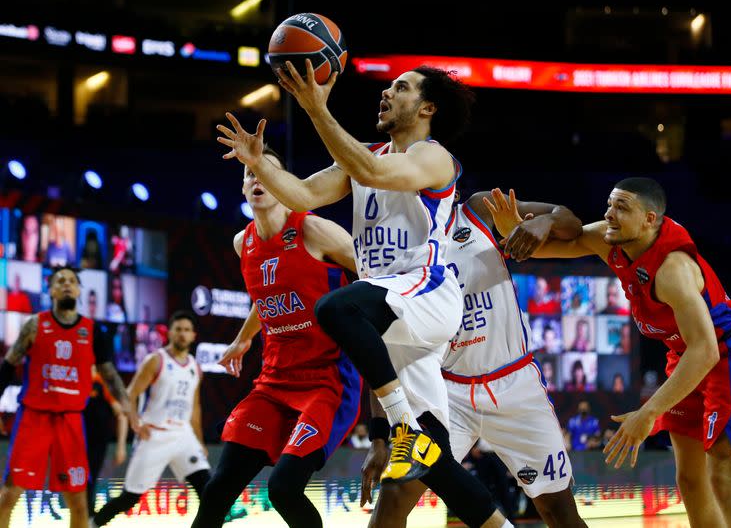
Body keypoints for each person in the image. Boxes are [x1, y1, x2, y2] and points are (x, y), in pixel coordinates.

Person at [215, 63, 511, 527]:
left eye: (402, 87)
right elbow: (302, 194)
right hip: (391, 314)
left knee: (335, 306)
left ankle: (404, 430)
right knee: (435, 464)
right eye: (390, 85)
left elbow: (371, 169)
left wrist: (316, 108)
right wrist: (257, 165)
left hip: (425, 292)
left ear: (427, 107)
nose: (387, 92)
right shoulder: (359, 158)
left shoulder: (434, 156)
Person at [501, 177, 731, 527]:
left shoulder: (673, 270)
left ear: (649, 219)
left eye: (622, 207)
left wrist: (648, 411)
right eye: (610, 204)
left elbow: (705, 351)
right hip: (684, 354)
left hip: (727, 355)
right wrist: (517, 230)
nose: (609, 214)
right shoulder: (607, 237)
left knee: (724, 478)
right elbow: (546, 248)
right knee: (690, 480)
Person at [360, 188, 587, 527]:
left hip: (514, 384)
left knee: (560, 512)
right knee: (393, 500)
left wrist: (545, 221)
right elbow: (380, 351)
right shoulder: (396, 251)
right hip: (447, 394)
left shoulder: (478, 210)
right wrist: (379, 438)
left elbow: (572, 222)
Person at [191, 149, 361, 528]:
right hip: (274, 382)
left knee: (284, 488)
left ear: (285, 185)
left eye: (268, 172)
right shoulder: (243, 244)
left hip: (327, 381)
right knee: (218, 488)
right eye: (251, 174)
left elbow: (378, 273)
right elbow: (267, 297)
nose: (258, 179)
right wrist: (242, 338)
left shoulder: (314, 230)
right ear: (243, 187)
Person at [0, 266, 130, 528]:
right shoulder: (35, 325)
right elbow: (7, 367)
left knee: (79, 501)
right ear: (51, 290)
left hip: (71, 420)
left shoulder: (93, 331)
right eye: (60, 281)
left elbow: (111, 376)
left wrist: (131, 412)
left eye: (72, 281)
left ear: (79, 290)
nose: (67, 284)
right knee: (10, 494)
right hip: (33, 417)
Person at [91, 311, 209, 527]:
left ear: (193, 335)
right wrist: (136, 422)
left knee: (208, 490)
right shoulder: (156, 360)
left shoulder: (195, 366)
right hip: (155, 435)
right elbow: (130, 394)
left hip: (183, 436)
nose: (182, 334)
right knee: (129, 498)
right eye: (178, 329)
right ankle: (94, 523)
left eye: (186, 330)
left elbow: (195, 408)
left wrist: (199, 441)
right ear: (170, 333)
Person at [84, 368, 128, 518]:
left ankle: (90, 518)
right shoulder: (75, 378)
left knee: (89, 481)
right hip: (75, 441)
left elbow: (121, 415)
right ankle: (86, 517)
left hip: (97, 443)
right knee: (77, 485)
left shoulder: (104, 382)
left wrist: (121, 446)